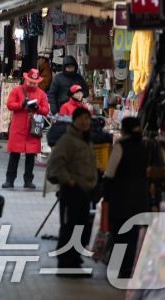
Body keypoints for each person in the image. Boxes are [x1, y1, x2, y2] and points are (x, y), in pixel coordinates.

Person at [46, 108, 97, 275]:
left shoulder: (86, 140)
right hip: (71, 192)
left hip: (84, 191)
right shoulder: (67, 140)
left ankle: (75, 261)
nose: (85, 122)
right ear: (74, 120)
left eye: (88, 119)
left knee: (81, 228)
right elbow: (55, 164)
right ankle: (65, 264)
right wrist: (69, 181)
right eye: (82, 119)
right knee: (69, 227)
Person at [103, 117, 148, 278]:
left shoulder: (121, 146)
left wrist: (105, 195)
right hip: (139, 198)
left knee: (119, 234)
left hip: (120, 197)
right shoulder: (143, 147)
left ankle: (116, 268)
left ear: (124, 130)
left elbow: (110, 172)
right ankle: (128, 268)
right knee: (133, 235)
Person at [3, 69, 50, 190]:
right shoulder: (17, 90)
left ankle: (28, 180)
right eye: (31, 82)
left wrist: (37, 107)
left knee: (31, 155)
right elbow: (9, 104)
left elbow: (46, 110)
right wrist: (21, 105)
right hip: (18, 127)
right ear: (26, 80)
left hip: (33, 127)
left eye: (35, 82)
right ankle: (9, 180)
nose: (33, 85)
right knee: (14, 154)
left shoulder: (41, 93)